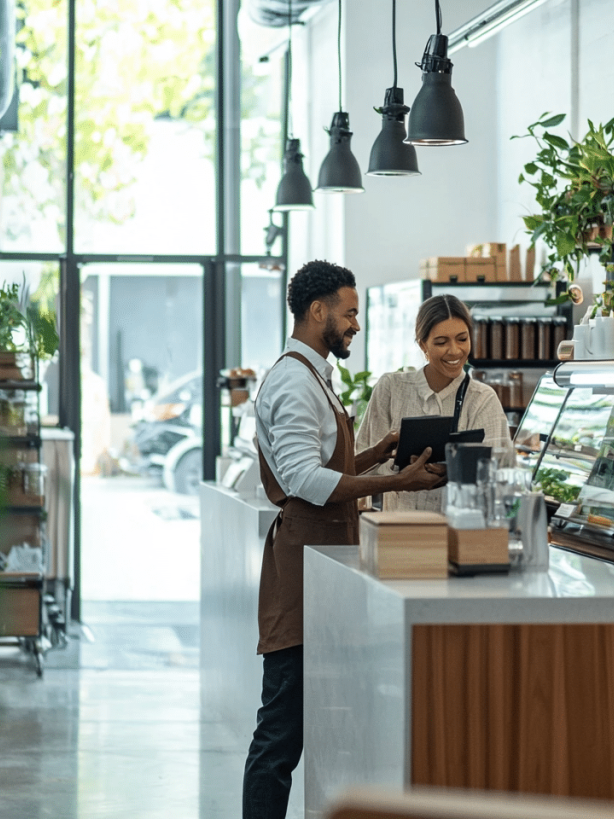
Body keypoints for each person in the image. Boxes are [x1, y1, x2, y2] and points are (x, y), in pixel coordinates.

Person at [243, 260, 442, 819]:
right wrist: (394, 481)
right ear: (317, 311)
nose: (356, 324)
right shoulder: (291, 380)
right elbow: (303, 479)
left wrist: (381, 451)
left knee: (308, 727)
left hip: (323, 566)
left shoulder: (314, 374)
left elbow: (320, 462)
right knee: (280, 733)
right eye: (350, 312)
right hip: (301, 571)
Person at [356, 294, 513, 512]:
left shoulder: (482, 398)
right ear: (423, 345)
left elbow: (502, 469)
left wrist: (454, 471)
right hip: (398, 533)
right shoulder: (392, 388)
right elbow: (362, 467)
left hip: (459, 534)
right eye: (441, 342)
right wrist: (401, 475)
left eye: (462, 339)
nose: (455, 351)